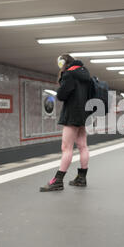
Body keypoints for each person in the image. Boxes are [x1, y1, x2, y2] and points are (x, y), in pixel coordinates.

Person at [40, 54, 92, 191]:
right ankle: (82, 178)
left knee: (66, 147)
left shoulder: (69, 74)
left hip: (72, 114)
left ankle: (58, 180)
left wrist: (58, 92)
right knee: (83, 146)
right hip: (84, 114)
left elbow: (62, 95)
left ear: (63, 62)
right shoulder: (87, 75)